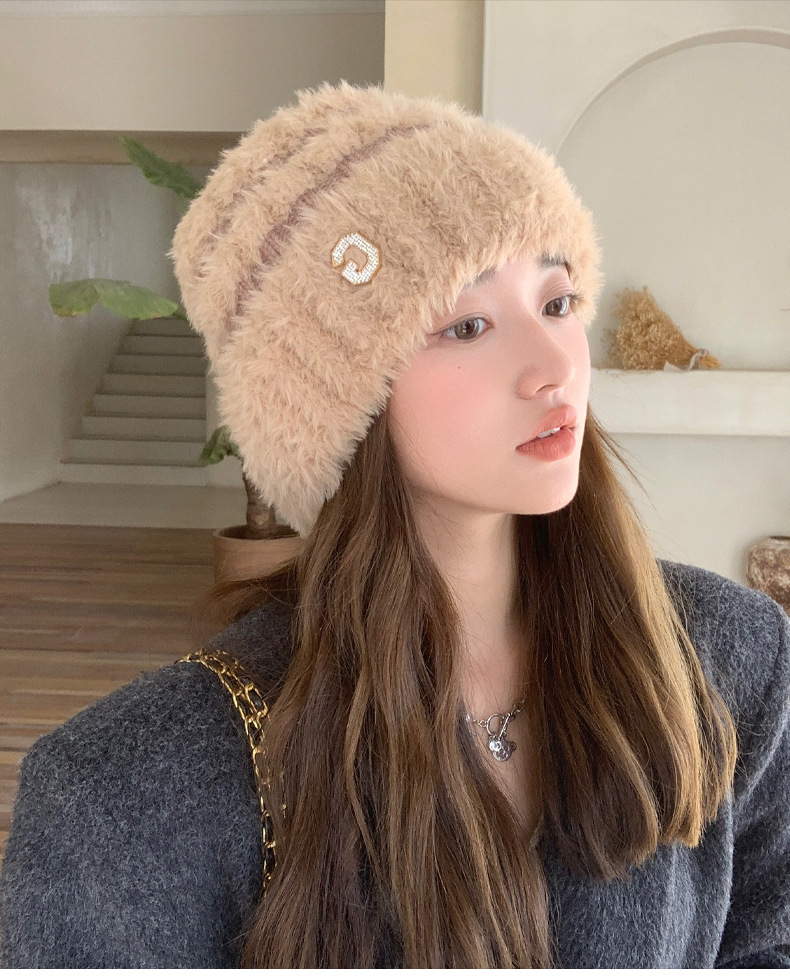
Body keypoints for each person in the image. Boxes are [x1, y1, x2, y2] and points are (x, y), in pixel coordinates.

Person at [1, 80, 788, 968]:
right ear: (338, 404)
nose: (552, 367)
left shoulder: (734, 661)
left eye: (558, 302)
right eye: (468, 324)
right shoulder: (126, 799)